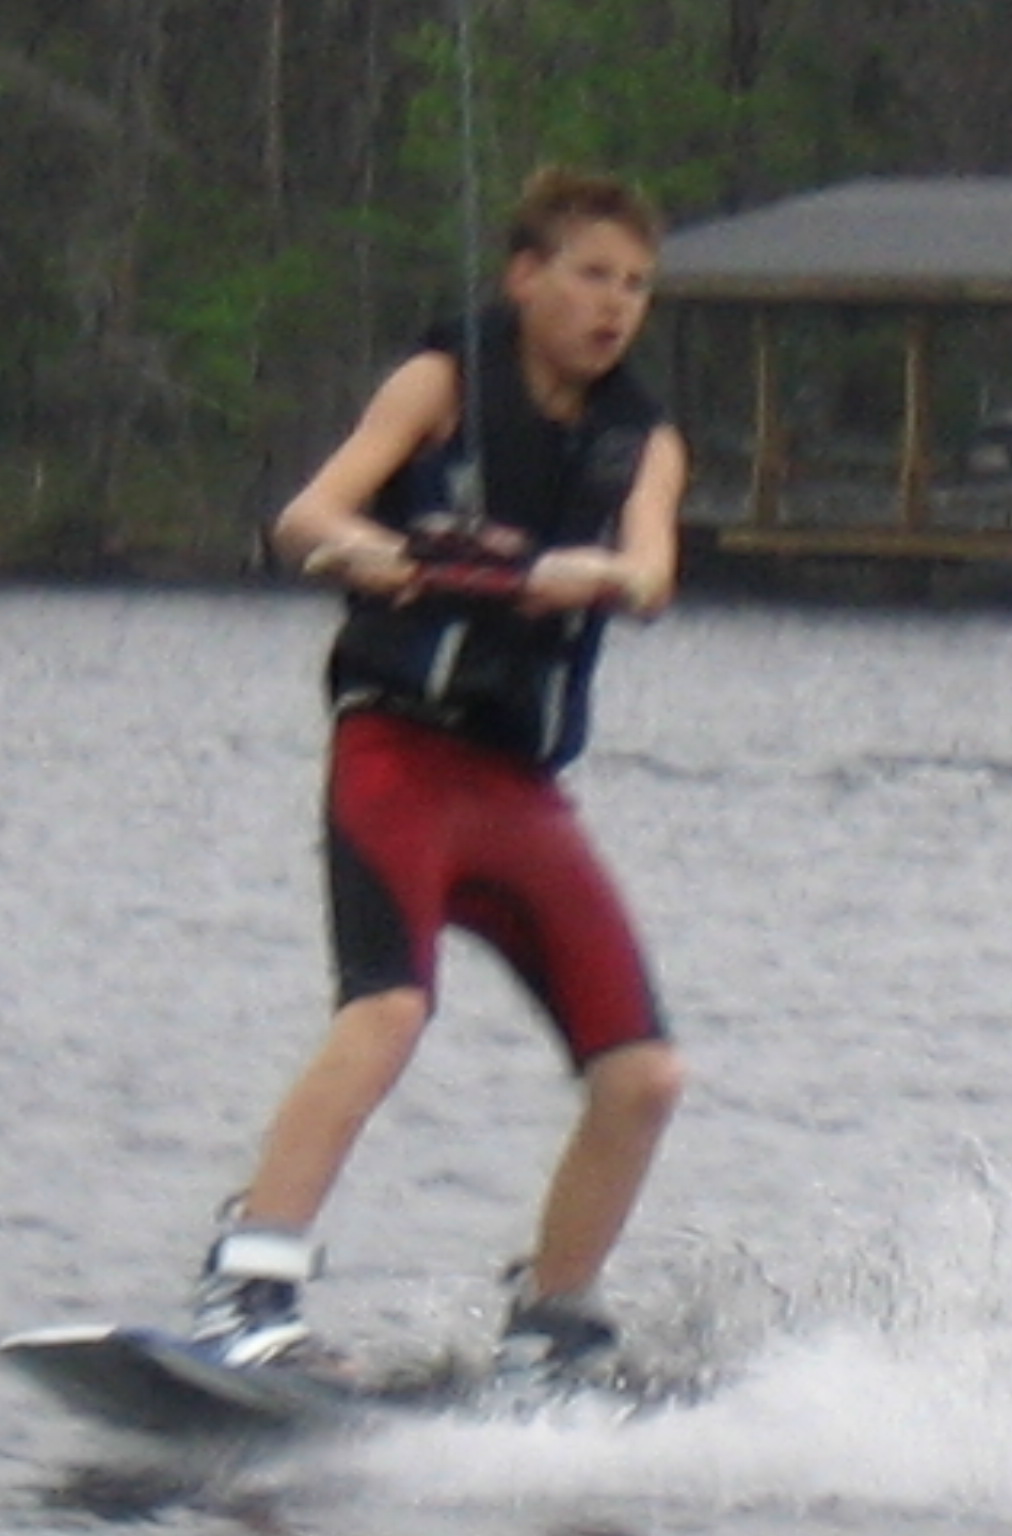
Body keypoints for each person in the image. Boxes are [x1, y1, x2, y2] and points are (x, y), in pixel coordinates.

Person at [189, 167, 688, 1375]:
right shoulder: (440, 382)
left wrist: (592, 577)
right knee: (388, 1010)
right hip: (398, 757)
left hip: (517, 793)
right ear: (524, 278)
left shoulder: (644, 441)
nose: (613, 306)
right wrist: (392, 554)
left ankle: (552, 1324)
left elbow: (650, 575)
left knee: (644, 1077)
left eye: (633, 286)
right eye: (590, 276)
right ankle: (247, 1287)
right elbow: (309, 520)